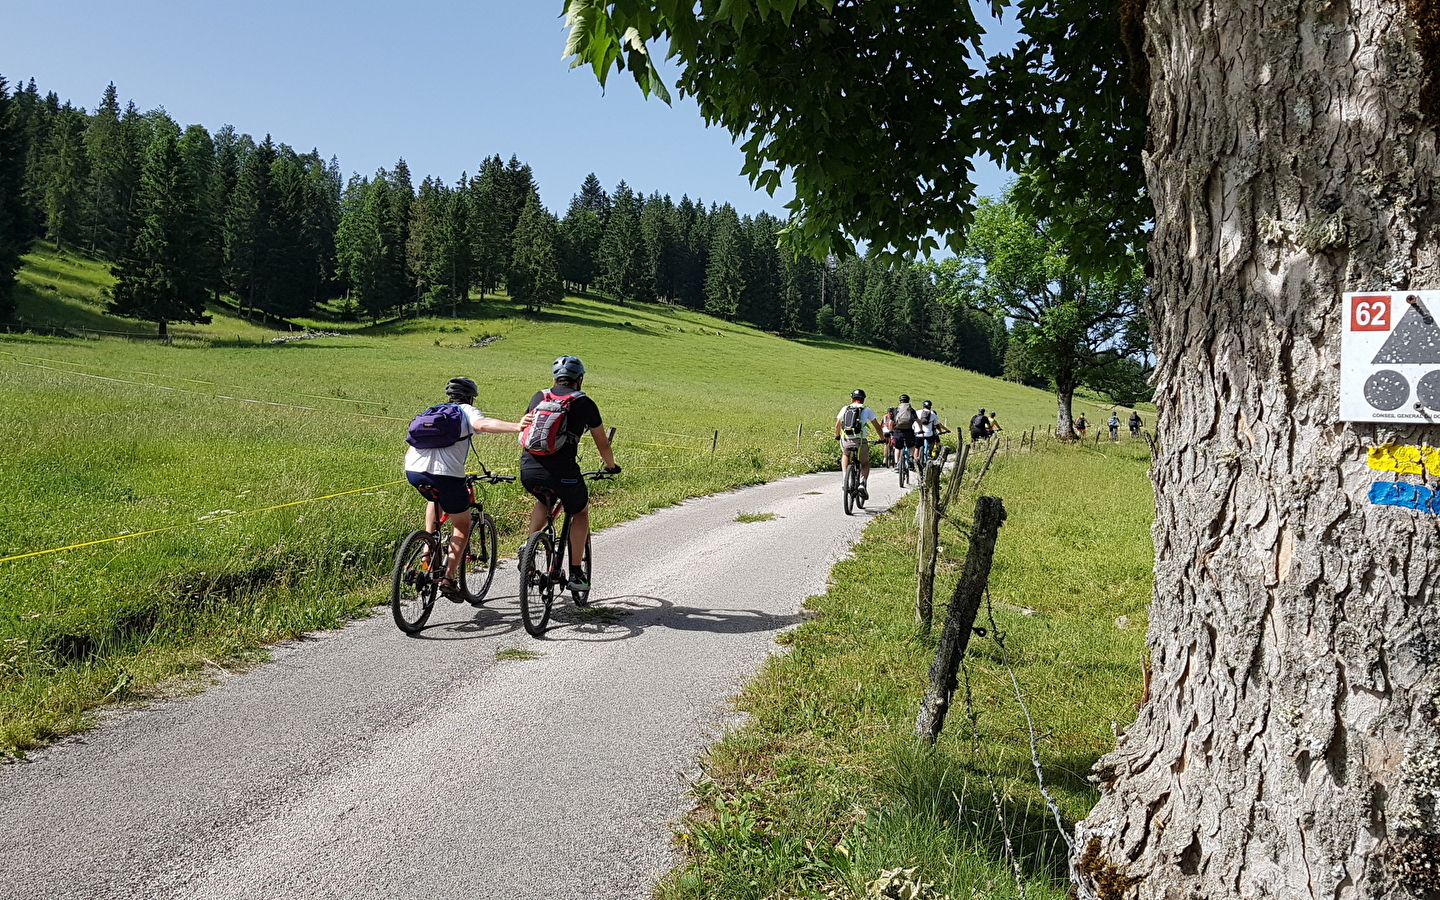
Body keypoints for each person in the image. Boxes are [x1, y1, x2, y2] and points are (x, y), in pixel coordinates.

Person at [404, 377, 527, 601]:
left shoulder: (433, 411)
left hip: (413, 470)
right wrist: (517, 426)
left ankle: (427, 548)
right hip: (447, 474)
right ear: (470, 398)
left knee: (434, 499)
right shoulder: (466, 411)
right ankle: (449, 578)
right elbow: (483, 425)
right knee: (461, 525)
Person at [520, 356, 620, 593]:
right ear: (580, 379)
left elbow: (525, 429)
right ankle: (576, 572)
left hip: (529, 469)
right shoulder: (584, 403)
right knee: (580, 511)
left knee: (543, 500)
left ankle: (528, 547)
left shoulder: (539, 397)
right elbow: (603, 444)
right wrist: (611, 466)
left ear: (555, 378)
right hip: (563, 473)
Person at [835, 389, 884, 496]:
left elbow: (837, 425)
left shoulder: (845, 408)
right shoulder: (866, 410)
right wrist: (882, 439)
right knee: (865, 463)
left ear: (852, 399)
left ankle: (845, 478)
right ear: (863, 399)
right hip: (861, 441)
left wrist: (837, 435)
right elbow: (877, 427)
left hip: (846, 439)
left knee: (846, 454)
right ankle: (862, 483)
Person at [892, 394, 919, 471]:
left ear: (900, 401)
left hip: (898, 431)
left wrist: (891, 431)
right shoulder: (911, 410)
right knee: (911, 446)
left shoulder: (896, 410)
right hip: (909, 431)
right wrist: (920, 429)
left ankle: (897, 464)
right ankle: (911, 458)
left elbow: (891, 422)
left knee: (897, 448)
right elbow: (918, 421)